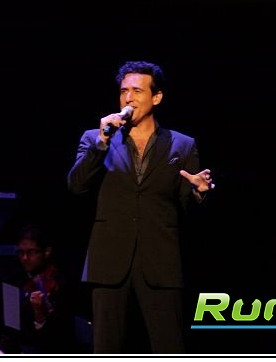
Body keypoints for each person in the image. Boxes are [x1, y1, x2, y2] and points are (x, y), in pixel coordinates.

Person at [67, 60, 214, 354]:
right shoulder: (95, 139)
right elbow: (76, 185)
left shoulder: (182, 145)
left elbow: (186, 207)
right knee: (106, 349)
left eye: (137, 91)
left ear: (156, 97)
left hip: (160, 261)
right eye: (124, 91)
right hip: (109, 260)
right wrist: (101, 143)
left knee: (168, 347)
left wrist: (199, 192)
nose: (129, 98)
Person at [0, 224, 74, 354]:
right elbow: (11, 328)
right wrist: (0, 350)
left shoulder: (60, 284)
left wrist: (39, 313)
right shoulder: (14, 281)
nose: (25, 258)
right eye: (21, 253)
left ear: (46, 252)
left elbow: (59, 336)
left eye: (31, 252)